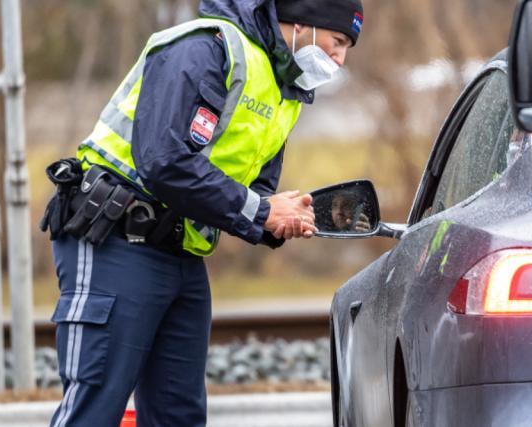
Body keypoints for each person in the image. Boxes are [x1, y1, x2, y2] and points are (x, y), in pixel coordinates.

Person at [40, 0, 364, 426]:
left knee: (180, 416)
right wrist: (261, 210)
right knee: (95, 411)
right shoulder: (206, 48)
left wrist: (279, 215)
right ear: (303, 23)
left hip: (183, 256)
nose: (339, 59)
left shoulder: (285, 90)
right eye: (338, 42)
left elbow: (249, 187)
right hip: (116, 240)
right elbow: (164, 159)